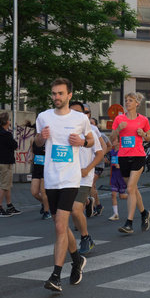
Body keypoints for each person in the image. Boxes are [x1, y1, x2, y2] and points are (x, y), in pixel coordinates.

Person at [35, 78, 94, 292]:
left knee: (61, 226)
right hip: (51, 178)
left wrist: (82, 142)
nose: (56, 97)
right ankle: (76, 259)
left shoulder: (80, 118)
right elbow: (37, 143)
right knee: (59, 225)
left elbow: (91, 140)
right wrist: (41, 138)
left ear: (69, 95)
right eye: (53, 93)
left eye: (60, 93)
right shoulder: (43, 117)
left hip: (70, 178)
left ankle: (56, 276)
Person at [110, 92, 150, 233]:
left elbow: (148, 138)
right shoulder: (119, 119)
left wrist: (143, 134)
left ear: (137, 104)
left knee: (129, 189)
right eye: (126, 100)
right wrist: (118, 129)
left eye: (130, 100)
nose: (127, 103)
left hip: (138, 156)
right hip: (123, 157)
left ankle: (129, 223)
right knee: (133, 188)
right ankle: (144, 213)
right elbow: (112, 138)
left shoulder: (143, 120)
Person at [70, 102, 104, 254]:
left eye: (79, 112)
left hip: (84, 177)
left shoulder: (90, 131)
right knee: (71, 212)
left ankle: (85, 238)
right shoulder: (66, 130)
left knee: (76, 209)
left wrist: (88, 169)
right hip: (67, 177)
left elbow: (100, 153)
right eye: (72, 111)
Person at [0, 112, 21, 217]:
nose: (10, 122)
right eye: (9, 120)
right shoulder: (6, 134)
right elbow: (14, 145)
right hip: (6, 162)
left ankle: (9, 206)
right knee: (4, 185)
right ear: (6, 121)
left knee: (7, 184)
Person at [89, 114, 110, 217]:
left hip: (98, 164)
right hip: (88, 163)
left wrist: (102, 155)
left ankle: (91, 207)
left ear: (96, 125)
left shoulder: (101, 135)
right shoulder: (86, 134)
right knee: (92, 186)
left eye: (92, 123)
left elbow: (109, 146)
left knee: (90, 184)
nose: (90, 125)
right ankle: (98, 205)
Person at [29, 132, 52, 220]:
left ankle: (47, 212)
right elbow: (32, 152)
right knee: (34, 192)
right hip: (37, 168)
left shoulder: (48, 140)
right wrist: (31, 158)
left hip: (46, 168)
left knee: (43, 191)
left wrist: (48, 153)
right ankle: (45, 203)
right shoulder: (33, 139)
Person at [107, 141, 128, 221]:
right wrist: (107, 161)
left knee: (122, 196)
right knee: (113, 194)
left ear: (119, 142)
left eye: (114, 140)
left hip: (121, 176)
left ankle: (133, 198)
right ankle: (115, 214)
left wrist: (120, 166)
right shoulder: (111, 151)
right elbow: (111, 161)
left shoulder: (123, 151)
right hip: (114, 176)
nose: (112, 141)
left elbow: (126, 163)